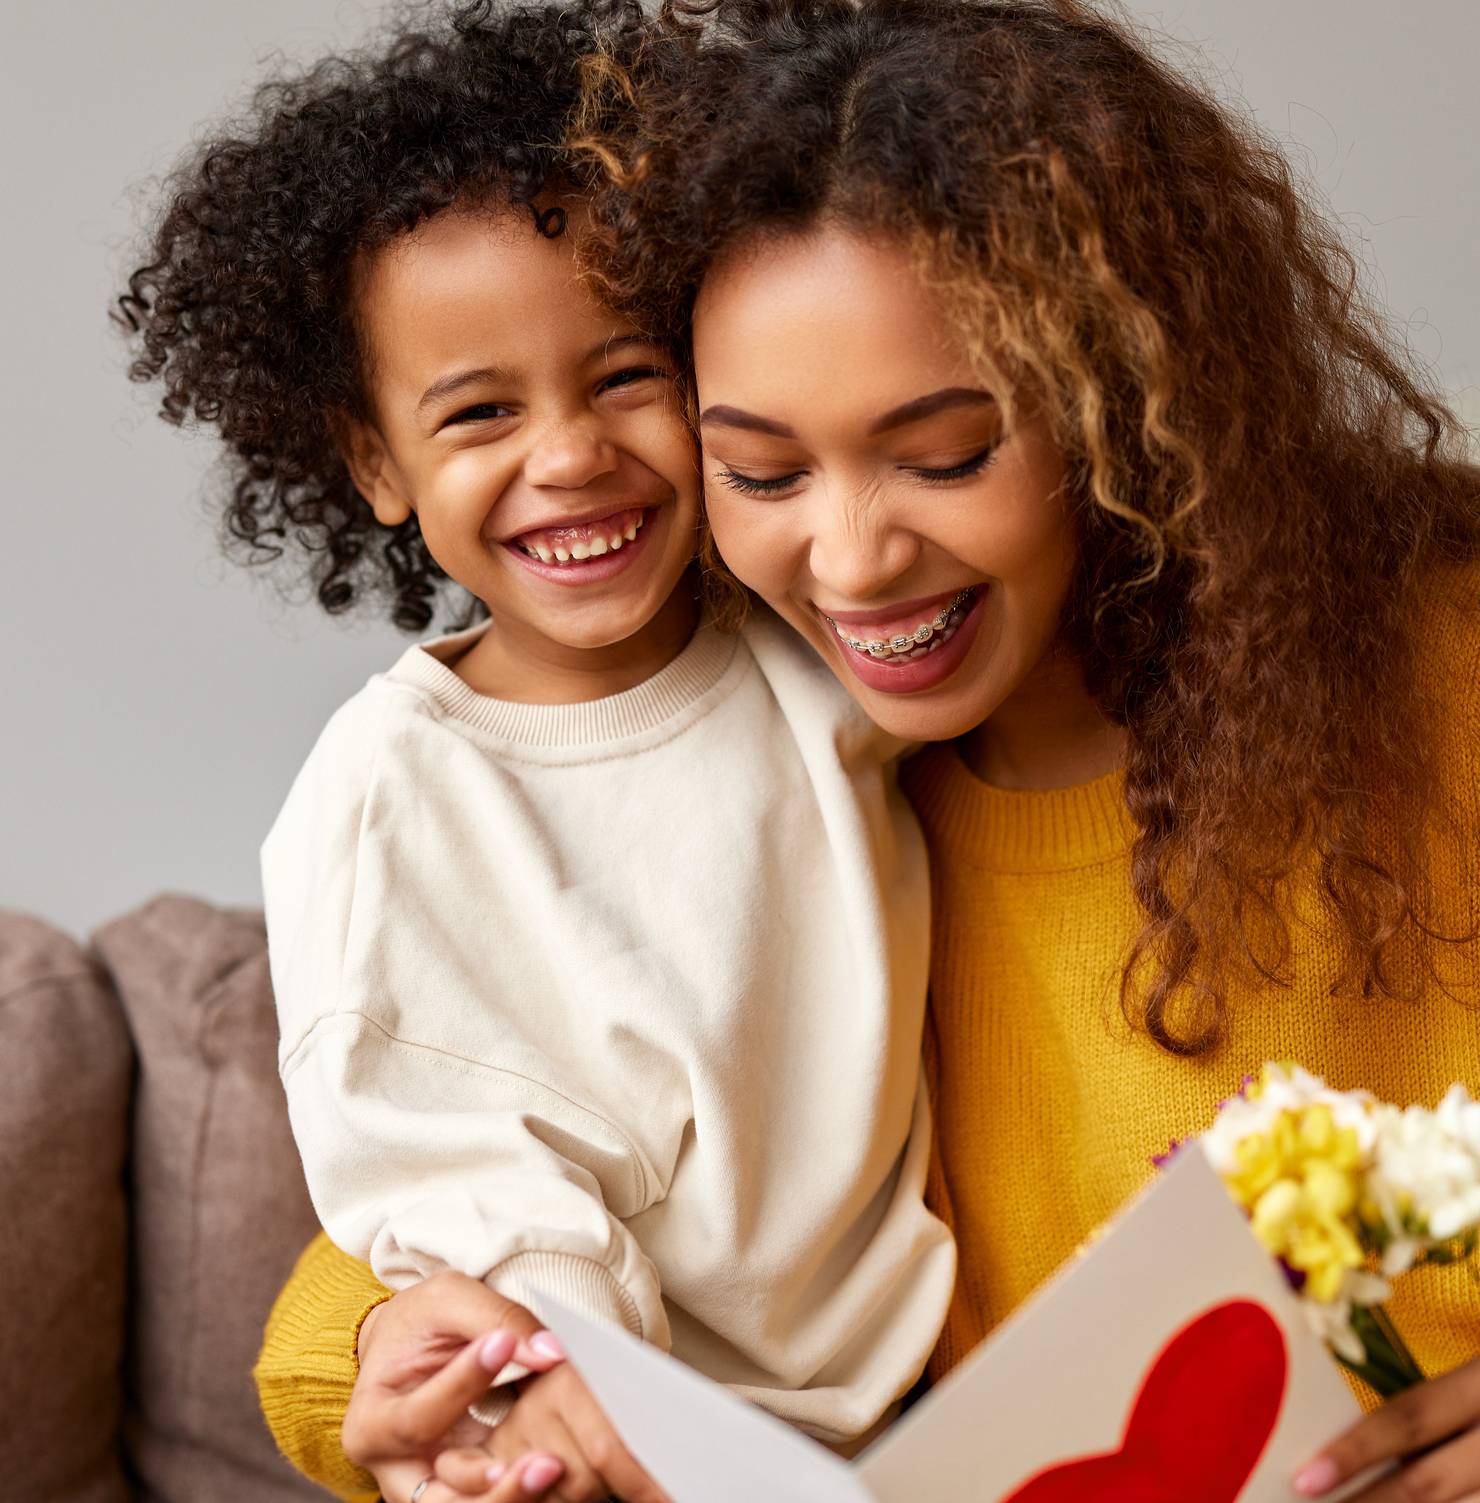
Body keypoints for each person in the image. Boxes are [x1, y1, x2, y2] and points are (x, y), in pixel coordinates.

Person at [256, 2, 1480, 1500]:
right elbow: (486, 1159)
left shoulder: (1454, 667)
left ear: (1125, 403)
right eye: (759, 471)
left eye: (943, 455)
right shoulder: (764, 755)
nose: (852, 563)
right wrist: (387, 1373)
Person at [116, 6, 956, 1503]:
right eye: (481, 411)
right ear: (374, 460)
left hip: (924, 1415)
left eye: (625, 374)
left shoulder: (808, 638)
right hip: (637, 1438)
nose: (567, 453)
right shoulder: (391, 802)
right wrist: (579, 1402)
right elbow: (467, 1181)